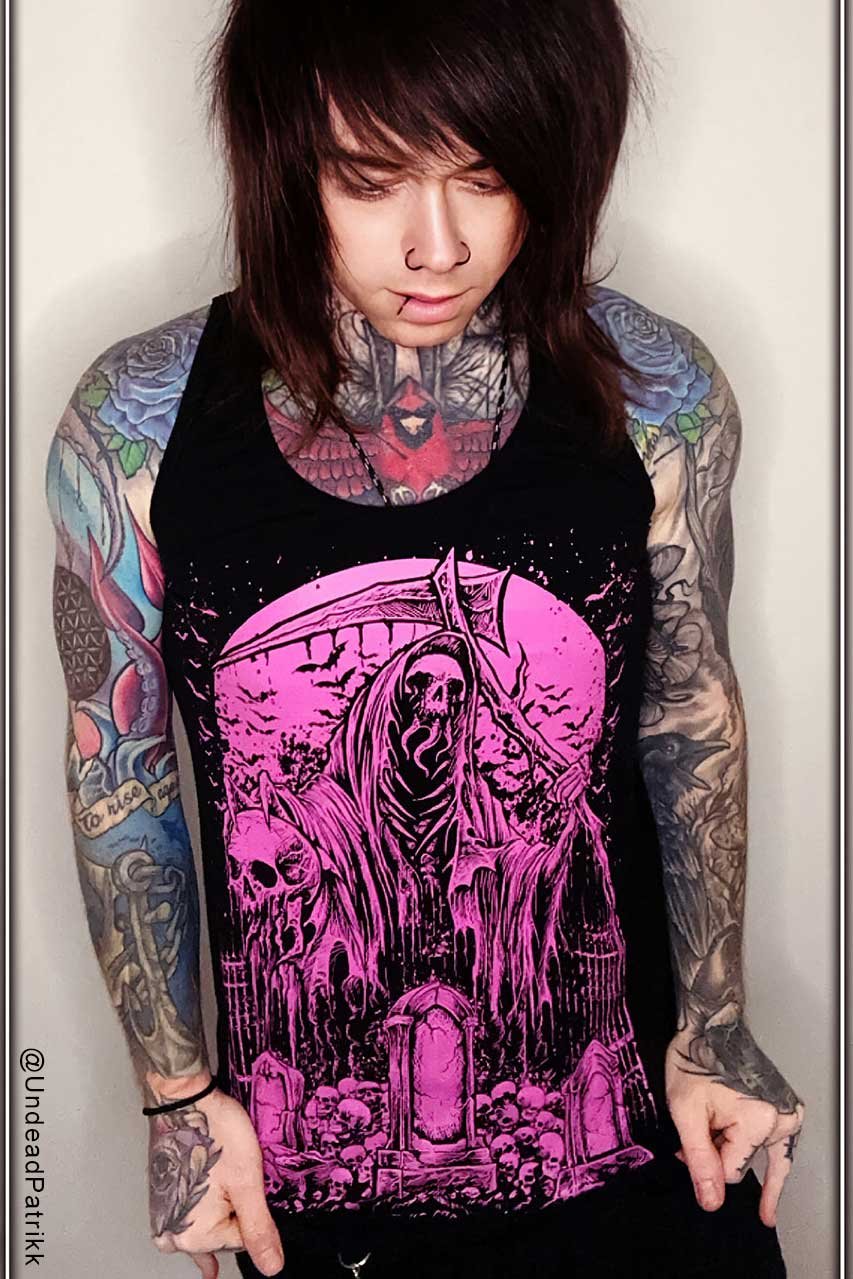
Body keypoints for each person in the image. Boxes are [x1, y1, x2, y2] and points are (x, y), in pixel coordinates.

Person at [44, 2, 805, 1276]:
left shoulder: (661, 396)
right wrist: (176, 1099)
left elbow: (687, 718)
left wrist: (713, 1026)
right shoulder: (134, 426)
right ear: (286, 159)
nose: (437, 245)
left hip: (637, 1163)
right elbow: (119, 771)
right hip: (310, 1198)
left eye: (487, 177)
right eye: (370, 179)